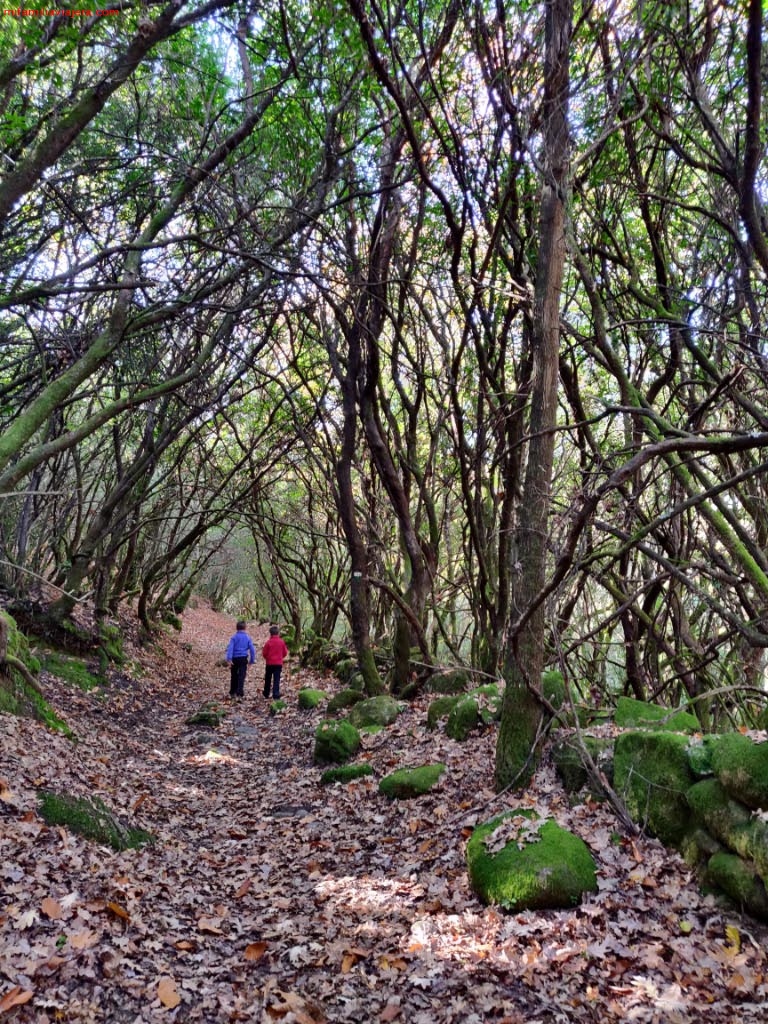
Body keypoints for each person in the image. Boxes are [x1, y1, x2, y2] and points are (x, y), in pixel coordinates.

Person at [225, 620, 256, 699]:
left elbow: (230, 648)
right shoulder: (247, 637)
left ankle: (232, 692)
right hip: (243, 659)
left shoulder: (234, 637)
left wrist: (229, 659)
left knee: (234, 675)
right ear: (245, 628)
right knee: (242, 676)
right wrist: (252, 661)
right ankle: (239, 693)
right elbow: (252, 649)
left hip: (234, 659)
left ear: (237, 628)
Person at [262, 624, 289, 699]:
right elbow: (285, 652)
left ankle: (266, 693)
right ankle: (276, 694)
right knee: (276, 679)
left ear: (270, 633)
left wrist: (267, 658)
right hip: (278, 664)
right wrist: (280, 657)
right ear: (278, 633)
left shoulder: (268, 642)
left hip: (269, 663)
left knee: (268, 678)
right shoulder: (281, 642)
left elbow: (264, 653)